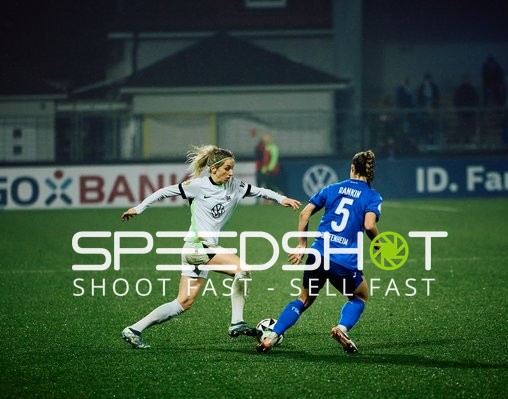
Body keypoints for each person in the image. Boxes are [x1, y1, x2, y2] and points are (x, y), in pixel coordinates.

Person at [119, 144, 301, 349]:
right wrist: (138, 208)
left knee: (183, 302)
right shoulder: (197, 186)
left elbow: (259, 191)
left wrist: (282, 198)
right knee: (242, 269)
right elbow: (163, 192)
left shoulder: (235, 186)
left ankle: (134, 329)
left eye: (232, 168)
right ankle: (237, 323)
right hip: (197, 247)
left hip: (202, 251)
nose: (230, 173)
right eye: (227, 168)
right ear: (213, 169)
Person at [256, 150, 381, 355]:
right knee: (360, 296)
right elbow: (369, 225)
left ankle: (272, 336)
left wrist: (302, 244)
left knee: (303, 298)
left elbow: (305, 214)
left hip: (318, 253)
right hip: (343, 260)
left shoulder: (332, 188)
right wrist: (379, 244)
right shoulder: (372, 196)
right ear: (370, 172)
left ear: (352, 168)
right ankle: (341, 328)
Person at [452, 74, 480, 144]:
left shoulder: (472, 90)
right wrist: (458, 110)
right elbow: (456, 100)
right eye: (465, 80)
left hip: (471, 114)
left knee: (471, 129)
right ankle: (462, 143)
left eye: (467, 80)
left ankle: (470, 142)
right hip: (462, 114)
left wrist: (473, 109)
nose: (466, 81)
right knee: (462, 129)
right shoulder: (459, 90)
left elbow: (476, 100)